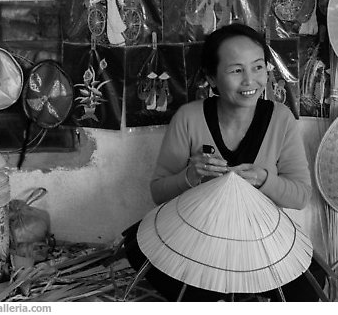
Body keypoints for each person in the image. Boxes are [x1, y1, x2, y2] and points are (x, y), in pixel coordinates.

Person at [122, 24, 326, 301]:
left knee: (311, 284)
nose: (250, 81)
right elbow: (158, 191)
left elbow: (300, 196)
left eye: (257, 67)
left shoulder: (281, 118)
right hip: (198, 240)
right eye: (236, 70)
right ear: (212, 78)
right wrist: (189, 176)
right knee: (159, 266)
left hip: (258, 243)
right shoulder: (189, 117)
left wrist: (264, 179)